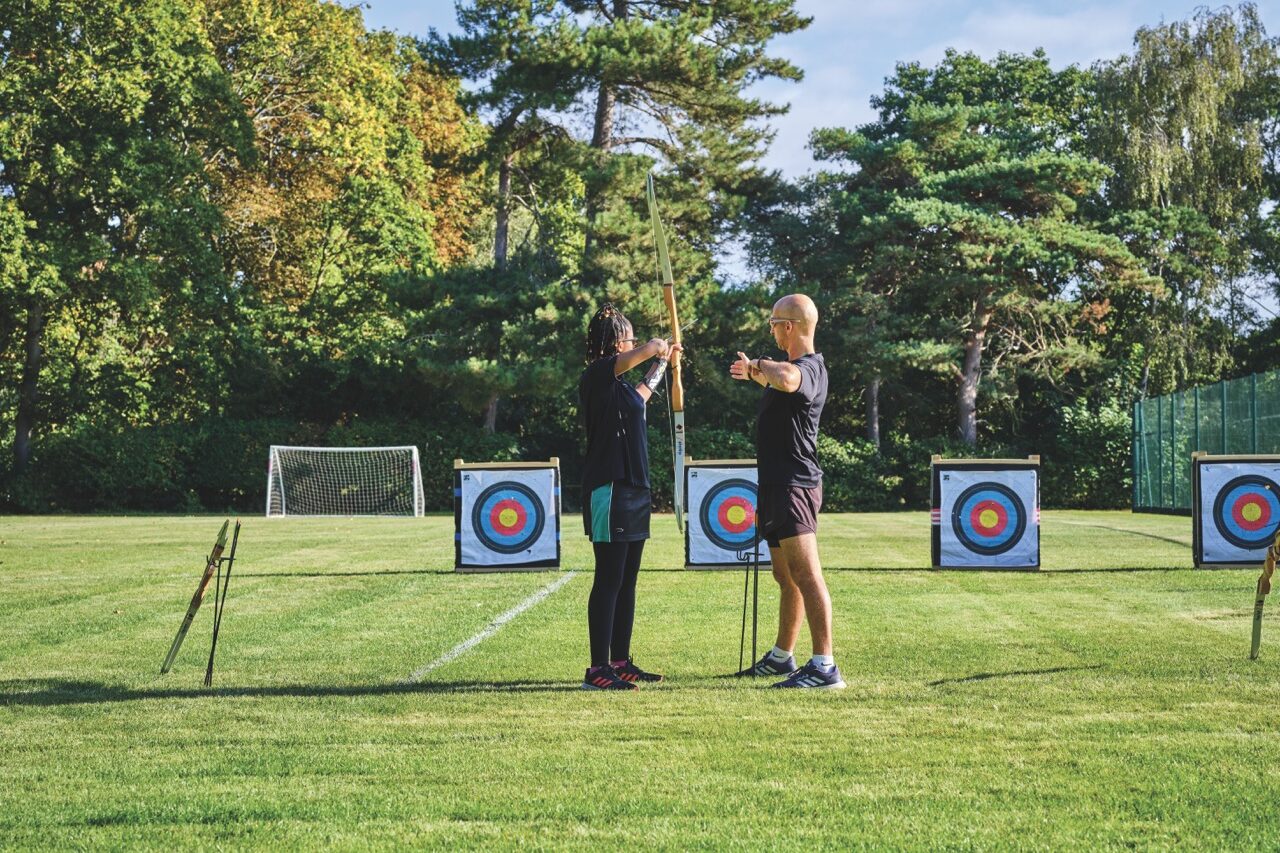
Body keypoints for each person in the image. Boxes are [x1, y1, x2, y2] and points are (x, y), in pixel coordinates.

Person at [728, 294, 844, 689]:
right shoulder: (790, 370)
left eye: (774, 324)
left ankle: (825, 667)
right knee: (785, 576)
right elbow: (777, 381)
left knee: (807, 575)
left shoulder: (808, 368)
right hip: (777, 486)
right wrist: (754, 372)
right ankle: (782, 657)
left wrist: (759, 364)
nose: (772, 330)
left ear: (789, 327)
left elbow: (789, 380)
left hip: (795, 486)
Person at [579, 303, 680, 690]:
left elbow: (641, 396)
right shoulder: (597, 375)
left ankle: (620, 662)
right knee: (609, 578)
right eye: (630, 339)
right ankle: (597, 669)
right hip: (610, 487)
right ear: (616, 342)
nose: (635, 343)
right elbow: (626, 362)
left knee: (627, 579)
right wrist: (654, 347)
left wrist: (662, 364)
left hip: (634, 488)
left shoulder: (620, 387)